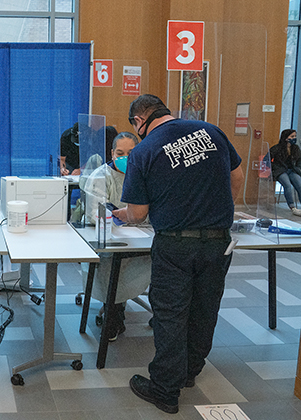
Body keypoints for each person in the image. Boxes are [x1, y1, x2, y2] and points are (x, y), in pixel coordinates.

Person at [113, 94, 244, 414]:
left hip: (175, 244)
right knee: (204, 308)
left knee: (171, 314)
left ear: (138, 122)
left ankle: (164, 389)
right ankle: (189, 373)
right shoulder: (211, 131)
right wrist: (221, 208)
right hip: (218, 241)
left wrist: (122, 215)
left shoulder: (143, 151)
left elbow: (139, 212)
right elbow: (237, 176)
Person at [82, 132, 150, 341]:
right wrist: (122, 217)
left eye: (131, 153)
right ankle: (113, 314)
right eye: (120, 153)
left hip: (145, 235)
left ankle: (164, 316)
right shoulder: (101, 176)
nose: (125, 157)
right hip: (112, 236)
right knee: (114, 268)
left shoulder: (146, 173)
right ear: (112, 153)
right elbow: (96, 213)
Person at [270, 129, 301, 216]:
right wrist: (274, 168)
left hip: (292, 170)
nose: (294, 138)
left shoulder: (296, 148)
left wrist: (298, 168)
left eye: (294, 136)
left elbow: (299, 160)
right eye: (291, 136)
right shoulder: (276, 148)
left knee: (299, 185)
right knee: (287, 185)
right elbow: (267, 160)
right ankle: (292, 207)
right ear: (285, 138)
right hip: (280, 170)